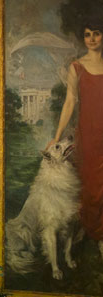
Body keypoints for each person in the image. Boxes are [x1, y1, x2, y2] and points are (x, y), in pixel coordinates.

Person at [48, 21, 103, 257]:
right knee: (90, 185)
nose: (91, 39)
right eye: (87, 34)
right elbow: (70, 102)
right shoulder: (77, 67)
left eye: (96, 34)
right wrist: (57, 137)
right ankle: (93, 234)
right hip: (88, 134)